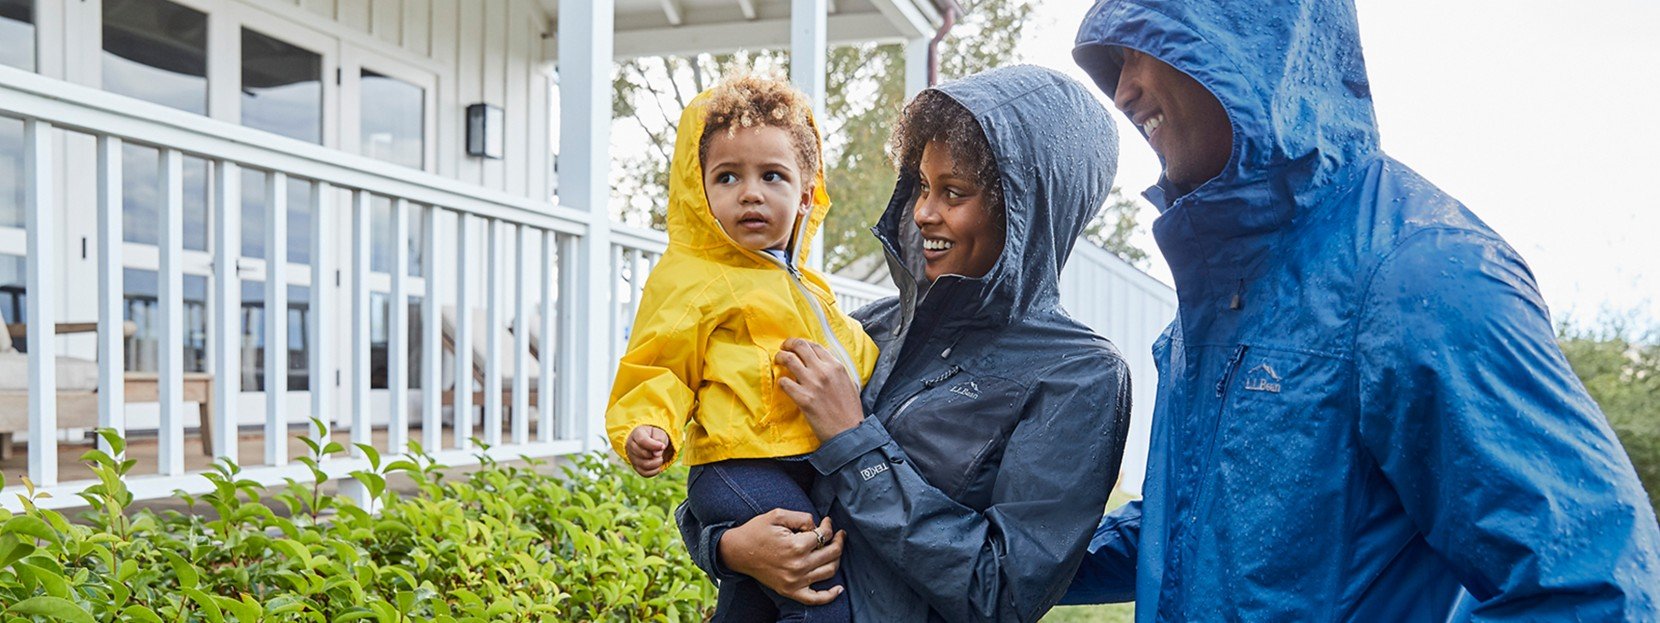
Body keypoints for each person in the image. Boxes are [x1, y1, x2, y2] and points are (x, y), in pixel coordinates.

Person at [1062, 0, 1660, 619]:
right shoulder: (1215, 296)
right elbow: (1183, 525)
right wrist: (987, 558)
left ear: (1236, 36)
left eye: (1143, 50)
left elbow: (1594, 589)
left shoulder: (1419, 272)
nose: (1123, 91)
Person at [678, 65, 1133, 622]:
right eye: (921, 184)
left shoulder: (1078, 376)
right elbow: (736, 463)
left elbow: (1003, 592)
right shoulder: (865, 329)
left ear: (1027, 208)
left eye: (954, 192)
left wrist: (853, 440)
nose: (923, 212)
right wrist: (728, 548)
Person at [605, 74, 879, 622]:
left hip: (800, 463)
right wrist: (646, 426)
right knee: (817, 587)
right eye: (727, 176)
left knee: (751, 600)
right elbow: (659, 364)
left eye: (771, 176)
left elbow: (852, 355)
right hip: (738, 467)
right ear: (700, 193)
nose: (750, 192)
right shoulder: (694, 277)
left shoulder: (806, 283)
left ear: (805, 196)